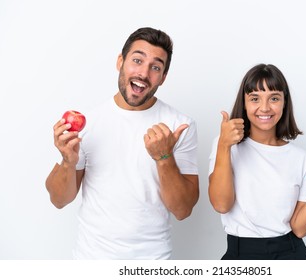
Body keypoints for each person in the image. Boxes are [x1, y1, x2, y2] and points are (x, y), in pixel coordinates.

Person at [45, 27, 199, 259]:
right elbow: (59, 200)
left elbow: (182, 210)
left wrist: (164, 157)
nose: (144, 73)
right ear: (120, 61)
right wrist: (68, 161)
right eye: (137, 60)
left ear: (163, 77)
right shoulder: (89, 123)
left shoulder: (179, 125)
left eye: (155, 67)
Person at [208, 63, 306, 260]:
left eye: (274, 98)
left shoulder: (300, 158)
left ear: (284, 102)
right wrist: (224, 146)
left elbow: (300, 229)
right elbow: (221, 204)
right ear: (244, 103)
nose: (265, 107)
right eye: (255, 99)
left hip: (291, 253)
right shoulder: (225, 146)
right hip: (242, 254)